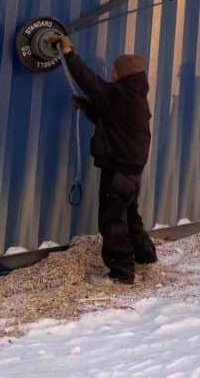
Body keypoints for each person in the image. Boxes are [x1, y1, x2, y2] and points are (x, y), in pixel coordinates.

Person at [52, 34, 158, 285]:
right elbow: (112, 121)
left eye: (114, 70)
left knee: (112, 221)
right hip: (131, 170)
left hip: (119, 169)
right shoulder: (133, 97)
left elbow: (89, 82)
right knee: (129, 214)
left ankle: (121, 274)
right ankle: (145, 258)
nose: (111, 73)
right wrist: (88, 107)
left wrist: (68, 54)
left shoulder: (120, 96)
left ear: (123, 74)